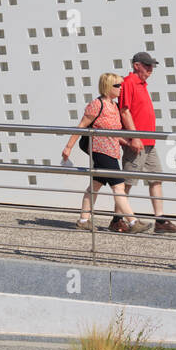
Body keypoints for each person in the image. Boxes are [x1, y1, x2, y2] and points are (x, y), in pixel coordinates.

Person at [61, 73, 149, 234]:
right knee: (119, 187)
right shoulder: (97, 105)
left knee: (94, 186)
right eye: (117, 86)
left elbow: (114, 133)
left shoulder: (114, 106)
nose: (121, 88)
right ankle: (133, 222)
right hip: (100, 151)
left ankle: (83, 220)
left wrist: (129, 143)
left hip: (112, 151)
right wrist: (68, 148)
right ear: (108, 87)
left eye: (121, 85)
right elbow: (81, 126)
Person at [118, 52, 176, 234]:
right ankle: (117, 220)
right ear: (136, 65)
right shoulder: (129, 82)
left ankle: (160, 220)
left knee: (156, 178)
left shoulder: (142, 84)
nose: (150, 69)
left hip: (148, 142)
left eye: (152, 66)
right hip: (137, 142)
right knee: (127, 182)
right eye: (147, 66)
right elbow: (124, 111)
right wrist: (135, 136)